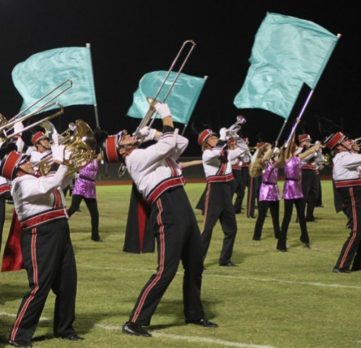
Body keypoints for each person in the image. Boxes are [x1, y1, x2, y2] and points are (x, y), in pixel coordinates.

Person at [102, 102, 217, 338]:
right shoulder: (135, 159)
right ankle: (135, 321)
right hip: (167, 208)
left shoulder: (144, 152)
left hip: (181, 203)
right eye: (123, 138)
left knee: (195, 265)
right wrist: (165, 115)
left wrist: (153, 133)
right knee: (166, 270)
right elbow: (167, 144)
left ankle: (194, 313)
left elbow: (180, 143)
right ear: (122, 151)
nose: (128, 136)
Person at [1, 145, 83, 346]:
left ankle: (64, 328)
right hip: (40, 234)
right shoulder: (19, 184)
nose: (30, 162)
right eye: (25, 162)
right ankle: (18, 335)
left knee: (67, 283)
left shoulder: (36, 179)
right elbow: (52, 181)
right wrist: (59, 160)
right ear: (17, 169)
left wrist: (70, 163)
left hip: (60, 230)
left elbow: (60, 182)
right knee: (40, 286)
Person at [324, 131, 361, 273]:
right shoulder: (342, 158)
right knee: (357, 230)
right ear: (338, 146)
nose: (349, 141)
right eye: (345, 140)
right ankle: (341, 265)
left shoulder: (349, 156)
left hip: (360, 191)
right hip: (353, 193)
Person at [198, 126, 248, 266]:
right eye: (212, 138)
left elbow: (243, 149)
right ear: (206, 143)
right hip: (214, 192)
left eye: (215, 137)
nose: (215, 139)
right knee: (208, 229)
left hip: (226, 191)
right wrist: (222, 136)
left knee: (231, 228)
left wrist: (235, 135)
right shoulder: (207, 154)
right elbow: (218, 151)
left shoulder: (224, 153)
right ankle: (198, 262)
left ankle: (224, 259)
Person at [277, 137, 320, 252]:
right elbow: (307, 152)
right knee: (287, 216)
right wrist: (313, 148)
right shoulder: (286, 158)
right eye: (295, 147)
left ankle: (304, 238)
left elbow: (307, 152)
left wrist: (315, 147)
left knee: (301, 215)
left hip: (297, 187)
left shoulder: (297, 157)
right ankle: (281, 243)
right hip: (289, 187)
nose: (297, 148)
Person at [66, 154, 102, 242]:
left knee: (95, 214)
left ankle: (95, 236)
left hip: (91, 187)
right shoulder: (82, 158)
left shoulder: (96, 159)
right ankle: (59, 222)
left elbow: (105, 154)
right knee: (73, 208)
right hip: (81, 185)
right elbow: (76, 165)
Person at [251, 143, 282, 241]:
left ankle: (278, 234)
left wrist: (282, 151)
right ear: (264, 151)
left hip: (274, 189)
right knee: (262, 215)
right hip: (265, 189)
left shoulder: (274, 161)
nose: (271, 150)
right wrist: (271, 149)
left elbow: (282, 161)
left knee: (275, 215)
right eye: (268, 148)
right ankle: (256, 236)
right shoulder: (262, 162)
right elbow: (264, 159)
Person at [297, 133, 321, 222]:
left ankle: (309, 216)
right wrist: (314, 150)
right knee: (304, 195)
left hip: (313, 172)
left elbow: (319, 159)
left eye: (309, 141)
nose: (308, 142)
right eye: (307, 140)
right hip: (304, 172)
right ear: (302, 141)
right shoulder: (298, 149)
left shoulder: (312, 149)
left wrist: (318, 151)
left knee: (314, 195)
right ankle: (300, 216)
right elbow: (305, 159)